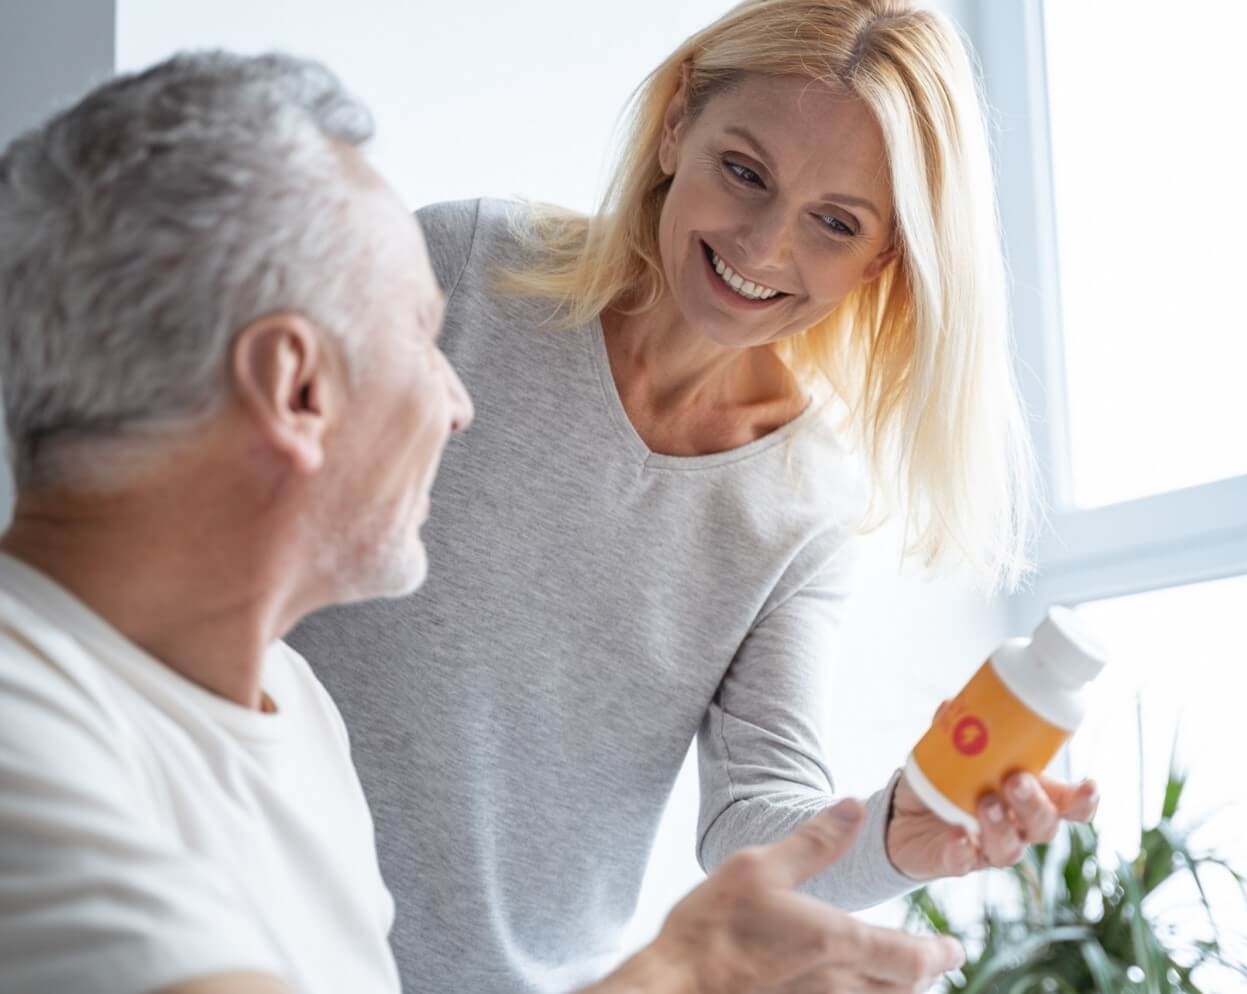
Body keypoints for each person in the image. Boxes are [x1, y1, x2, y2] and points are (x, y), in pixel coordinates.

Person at [0, 51, 964, 994]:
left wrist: (873, 839)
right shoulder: (38, 741)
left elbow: (761, 803)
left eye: (833, 222)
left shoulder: (297, 727)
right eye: (420, 335)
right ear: (295, 385)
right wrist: (683, 975)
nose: (461, 402)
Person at [290, 1, 1100, 992]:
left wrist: (894, 833)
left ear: (880, 257)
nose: (762, 248)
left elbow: (751, 819)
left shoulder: (803, 506)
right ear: (677, 122)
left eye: (833, 222)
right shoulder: (463, 266)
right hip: (241, 923)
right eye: (744, 172)